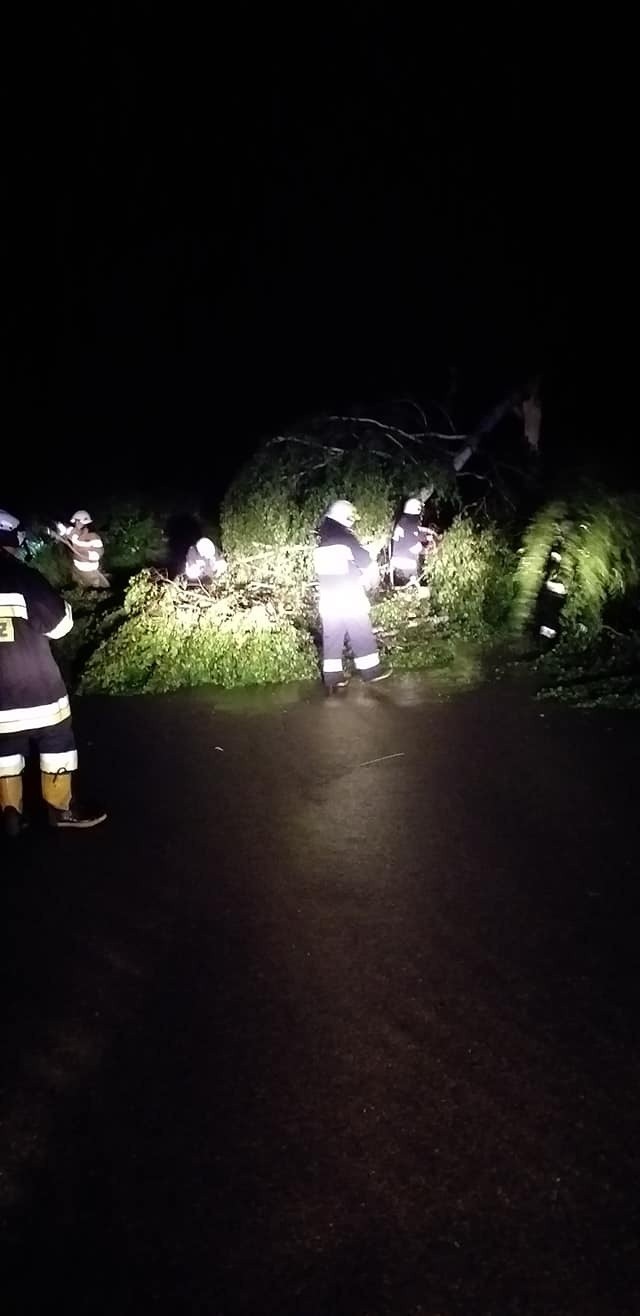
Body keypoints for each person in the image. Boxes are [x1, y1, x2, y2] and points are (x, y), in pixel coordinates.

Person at [0, 509, 107, 836]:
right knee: (56, 739)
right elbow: (61, 626)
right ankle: (60, 807)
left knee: (3, 752)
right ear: (13, 540)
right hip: (39, 693)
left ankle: (10, 813)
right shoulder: (24, 578)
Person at [315, 499, 390, 692]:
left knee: (332, 637)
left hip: (328, 599)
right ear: (344, 517)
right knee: (360, 632)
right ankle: (371, 672)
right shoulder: (346, 538)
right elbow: (364, 562)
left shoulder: (321, 541)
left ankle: (332, 679)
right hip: (348, 596)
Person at [390, 493, 437, 586]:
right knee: (419, 550)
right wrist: (430, 551)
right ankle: (417, 584)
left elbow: (415, 531)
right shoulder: (410, 525)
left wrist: (428, 533)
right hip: (407, 563)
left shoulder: (404, 520)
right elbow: (417, 543)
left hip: (396, 559)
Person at [56, 510, 109, 588]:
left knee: (94, 587)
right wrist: (59, 527)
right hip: (77, 569)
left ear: (86, 523)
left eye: (79, 522)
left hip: (90, 570)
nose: (77, 524)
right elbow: (66, 530)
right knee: (79, 586)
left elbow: (99, 552)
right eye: (76, 522)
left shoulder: (93, 537)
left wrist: (86, 555)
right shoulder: (74, 532)